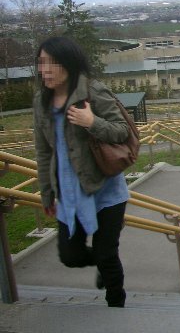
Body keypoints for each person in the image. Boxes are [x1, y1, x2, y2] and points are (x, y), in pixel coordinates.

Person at [33, 36, 131, 308]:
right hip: (69, 193)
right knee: (70, 256)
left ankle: (116, 306)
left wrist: (92, 122)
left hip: (107, 191)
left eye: (52, 63)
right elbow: (43, 152)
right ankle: (101, 260)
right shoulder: (41, 103)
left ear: (69, 64)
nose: (45, 70)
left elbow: (122, 131)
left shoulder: (93, 92)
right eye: (41, 64)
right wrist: (46, 193)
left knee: (107, 254)